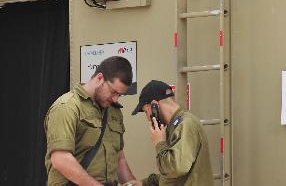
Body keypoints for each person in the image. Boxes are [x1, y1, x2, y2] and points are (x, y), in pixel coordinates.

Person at [44, 54, 138, 186]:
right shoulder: (67, 106)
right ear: (99, 78)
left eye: (120, 95)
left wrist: (130, 182)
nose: (115, 99)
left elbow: (119, 157)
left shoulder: (113, 111)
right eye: (113, 92)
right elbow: (60, 159)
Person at [134, 80, 214, 186]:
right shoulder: (176, 125)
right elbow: (175, 177)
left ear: (154, 106)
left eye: (146, 111)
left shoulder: (186, 124)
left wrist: (159, 143)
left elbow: (176, 168)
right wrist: (145, 183)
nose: (148, 118)